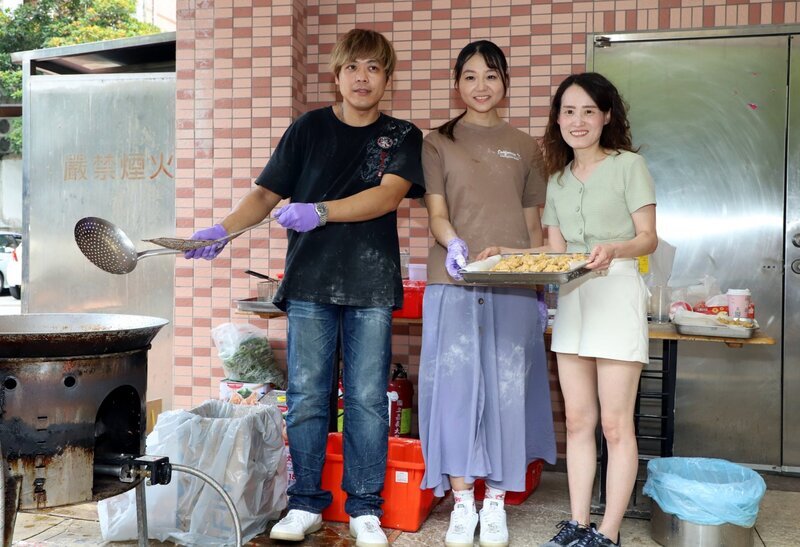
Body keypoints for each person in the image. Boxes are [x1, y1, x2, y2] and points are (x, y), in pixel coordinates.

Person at [184, 29, 425, 547]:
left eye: (374, 68)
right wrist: (223, 230)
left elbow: (386, 197)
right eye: (352, 67)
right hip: (310, 284)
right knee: (308, 397)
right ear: (337, 76)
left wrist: (319, 211)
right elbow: (265, 195)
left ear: (387, 78)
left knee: (366, 400)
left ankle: (365, 508)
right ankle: (306, 503)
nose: (362, 78)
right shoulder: (308, 129)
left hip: (371, 285)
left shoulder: (403, 136)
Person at [482, 72, 657, 547]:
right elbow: (555, 253)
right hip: (575, 297)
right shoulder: (557, 179)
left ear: (606, 117)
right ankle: (578, 524)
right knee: (578, 421)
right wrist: (506, 253)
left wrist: (615, 248)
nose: (578, 121)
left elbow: (648, 238)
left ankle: (608, 532)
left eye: (588, 111)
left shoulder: (629, 166)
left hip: (617, 292)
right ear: (557, 119)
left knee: (616, 425)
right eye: (568, 111)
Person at [417, 40, 557, 547]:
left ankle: (495, 501)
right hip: (452, 280)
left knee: (507, 392)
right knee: (454, 393)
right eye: (471, 76)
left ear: (505, 84)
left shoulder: (525, 147)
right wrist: (452, 241)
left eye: (491, 76)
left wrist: (540, 288)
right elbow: (436, 212)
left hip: (512, 286)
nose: (481, 86)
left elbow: (533, 225)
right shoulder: (437, 142)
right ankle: (462, 503)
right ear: (457, 83)